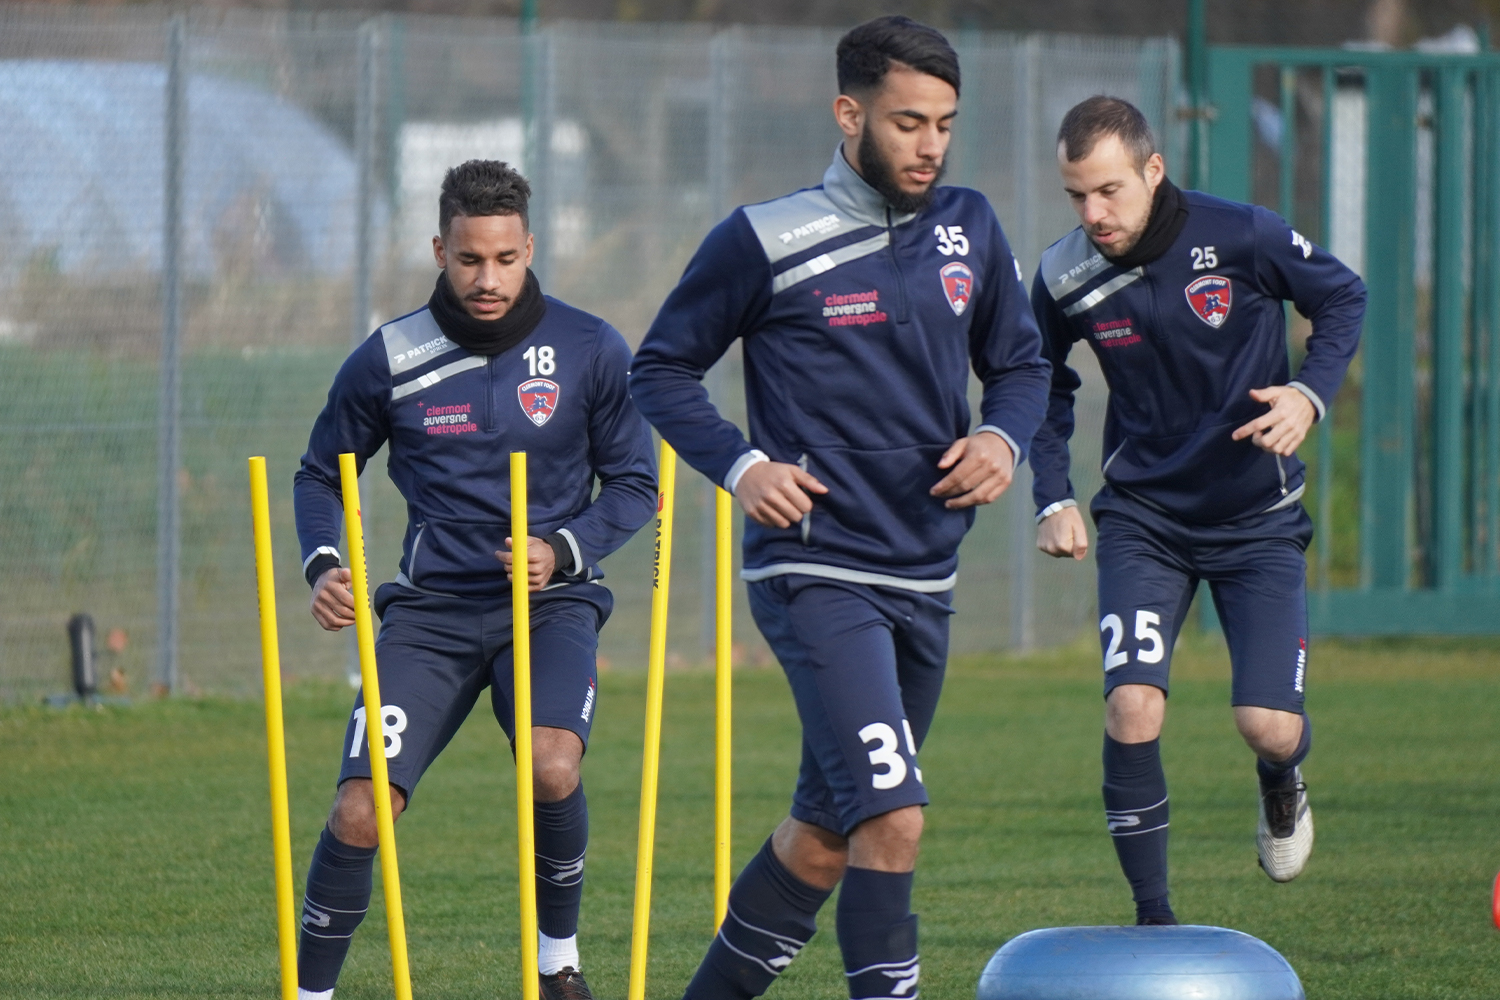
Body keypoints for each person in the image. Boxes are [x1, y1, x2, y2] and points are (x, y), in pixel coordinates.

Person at [630, 17, 1050, 999]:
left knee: (823, 837)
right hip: (814, 567)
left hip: (927, 572)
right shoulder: (764, 239)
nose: (931, 144)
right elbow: (661, 367)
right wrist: (741, 467)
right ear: (848, 113)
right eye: (908, 122)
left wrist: (1001, 437)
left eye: (945, 123)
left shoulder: (972, 226)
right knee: (892, 818)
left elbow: (1022, 365)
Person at [291, 160, 656, 1000]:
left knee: (553, 766)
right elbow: (319, 474)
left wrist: (562, 549)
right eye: (468, 260)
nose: (487, 279)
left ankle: (556, 962)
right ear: (439, 250)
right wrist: (326, 563)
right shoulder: (389, 357)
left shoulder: (591, 347)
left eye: (504, 259)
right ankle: (309, 994)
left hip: (551, 605)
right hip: (430, 616)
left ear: (529, 247)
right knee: (359, 810)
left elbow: (636, 485)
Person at [1028, 97, 1365, 924]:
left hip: (1258, 521)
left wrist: (1308, 396)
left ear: (1153, 169)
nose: (1092, 215)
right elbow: (1036, 383)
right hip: (1145, 519)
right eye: (1075, 196)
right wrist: (1053, 496)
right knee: (1132, 705)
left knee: (1267, 724)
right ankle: (1154, 922)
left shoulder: (1242, 234)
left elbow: (1343, 297)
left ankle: (1283, 781)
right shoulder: (1064, 273)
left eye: (1108, 190)